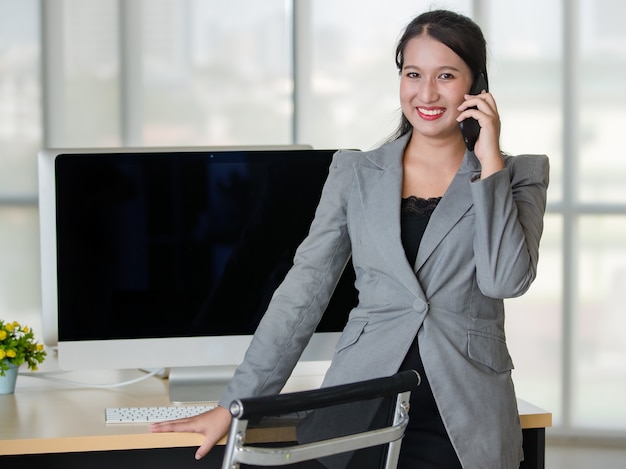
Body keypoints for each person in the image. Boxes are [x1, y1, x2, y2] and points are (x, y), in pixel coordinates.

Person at [150, 9, 549, 468]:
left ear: (476, 85)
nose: (427, 93)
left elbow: (504, 280)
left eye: (446, 76)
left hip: (464, 415)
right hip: (362, 408)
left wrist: (489, 162)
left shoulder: (518, 175)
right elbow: (302, 293)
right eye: (413, 74)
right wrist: (234, 404)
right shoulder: (356, 173)